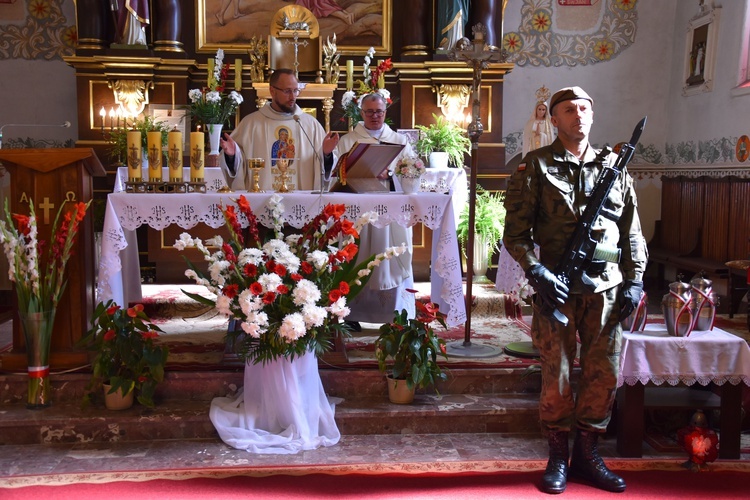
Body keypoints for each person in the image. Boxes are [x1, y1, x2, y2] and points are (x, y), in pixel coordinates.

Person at [502, 86, 648, 494]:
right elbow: (514, 234)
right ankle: (557, 456)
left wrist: (635, 280)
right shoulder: (535, 166)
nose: (578, 115)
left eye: (584, 108)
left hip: (606, 288)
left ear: (593, 114)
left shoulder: (615, 166)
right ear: (554, 119)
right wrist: (537, 272)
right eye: (568, 110)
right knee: (558, 375)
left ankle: (587, 455)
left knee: (604, 375)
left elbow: (632, 232)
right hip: (557, 288)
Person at [335, 93, 415, 324]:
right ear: (361, 113)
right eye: (369, 112)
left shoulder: (399, 141)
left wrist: (389, 174)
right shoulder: (349, 141)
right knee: (359, 255)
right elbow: (338, 174)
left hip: (390, 212)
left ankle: (396, 314)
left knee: (389, 258)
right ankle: (352, 316)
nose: (374, 116)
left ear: (385, 112)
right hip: (359, 211)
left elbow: (410, 172)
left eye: (379, 111)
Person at [219, 69, 340, 191]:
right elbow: (237, 168)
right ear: (272, 91)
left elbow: (326, 169)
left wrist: (326, 154)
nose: (293, 96)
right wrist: (232, 156)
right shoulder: (251, 124)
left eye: (295, 90)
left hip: (302, 204)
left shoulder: (310, 125)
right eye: (287, 91)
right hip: (261, 203)